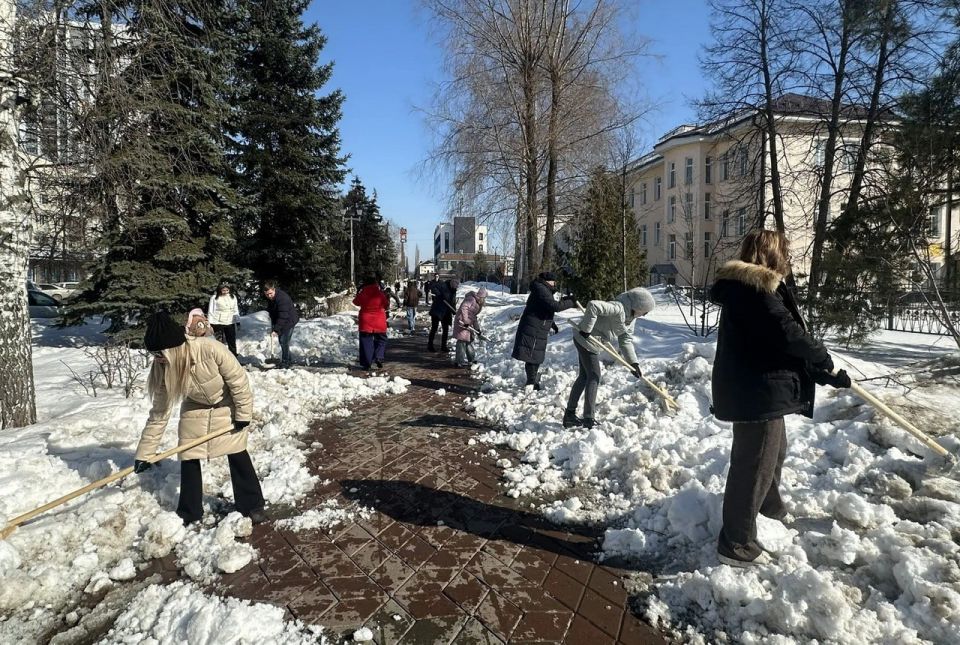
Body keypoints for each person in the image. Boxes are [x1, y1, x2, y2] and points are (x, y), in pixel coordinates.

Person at [710, 229, 850, 568]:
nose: (787, 258)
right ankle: (736, 543)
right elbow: (788, 333)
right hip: (756, 392)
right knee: (755, 463)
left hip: (759, 388)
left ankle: (768, 509)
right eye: (783, 252)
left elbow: (776, 342)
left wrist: (819, 372)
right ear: (771, 254)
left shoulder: (756, 290)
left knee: (773, 453)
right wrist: (821, 356)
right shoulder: (754, 291)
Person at [134, 311, 266, 526]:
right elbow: (159, 413)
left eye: (160, 353)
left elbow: (239, 382)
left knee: (237, 451)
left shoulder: (210, 349)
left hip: (227, 402)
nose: (157, 359)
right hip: (195, 407)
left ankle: (252, 504)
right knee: (188, 454)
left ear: (172, 349)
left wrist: (243, 415)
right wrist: (145, 454)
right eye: (154, 354)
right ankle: (189, 511)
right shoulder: (164, 367)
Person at [565, 287, 656, 429]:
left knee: (584, 377)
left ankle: (569, 415)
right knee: (594, 375)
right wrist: (587, 328)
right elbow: (593, 305)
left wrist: (634, 363)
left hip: (593, 341)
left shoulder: (631, 319)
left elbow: (625, 340)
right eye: (645, 311)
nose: (645, 314)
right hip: (586, 339)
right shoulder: (617, 308)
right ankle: (588, 418)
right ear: (638, 306)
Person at [511, 272, 577, 390]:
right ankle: (531, 383)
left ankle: (532, 380)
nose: (555, 284)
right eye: (553, 281)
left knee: (535, 355)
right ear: (548, 281)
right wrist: (571, 302)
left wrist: (552, 323)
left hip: (538, 327)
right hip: (533, 327)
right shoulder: (541, 289)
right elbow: (554, 306)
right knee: (532, 355)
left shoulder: (542, 289)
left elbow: (543, 308)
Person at [353, 275, 390, 370]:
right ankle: (379, 356)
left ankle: (367, 363)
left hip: (366, 321)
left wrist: (359, 291)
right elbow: (386, 305)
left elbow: (356, 302)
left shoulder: (363, 293)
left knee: (366, 342)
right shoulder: (380, 293)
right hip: (379, 320)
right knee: (381, 339)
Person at [264, 281, 299, 368]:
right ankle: (289, 360)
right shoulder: (271, 299)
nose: (269, 296)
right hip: (281, 320)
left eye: (271, 293)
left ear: (274, 290)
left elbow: (283, 315)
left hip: (289, 320)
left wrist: (276, 329)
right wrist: (273, 325)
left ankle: (285, 362)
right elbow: (274, 312)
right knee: (283, 341)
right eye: (267, 294)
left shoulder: (282, 298)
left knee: (284, 341)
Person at [453, 287, 487, 366]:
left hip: (468, 324)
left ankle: (471, 359)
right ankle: (458, 361)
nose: (484, 300)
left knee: (469, 340)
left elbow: (474, 317)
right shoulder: (471, 299)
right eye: (484, 298)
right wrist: (465, 321)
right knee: (461, 341)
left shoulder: (478, 303)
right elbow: (463, 308)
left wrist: (477, 329)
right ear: (481, 296)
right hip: (461, 322)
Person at [208, 282, 240, 356]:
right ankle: (220, 357)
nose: (225, 292)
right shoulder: (214, 298)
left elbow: (235, 310)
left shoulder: (233, 297)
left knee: (231, 340)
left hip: (230, 321)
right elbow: (211, 311)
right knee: (219, 342)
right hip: (217, 322)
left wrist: (238, 321)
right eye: (223, 290)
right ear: (220, 290)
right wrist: (210, 323)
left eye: (227, 290)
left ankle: (233, 356)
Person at [428, 277, 459, 352]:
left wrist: (454, 310)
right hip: (437, 310)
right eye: (455, 285)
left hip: (446, 312)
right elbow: (433, 287)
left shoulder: (453, 290)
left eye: (457, 285)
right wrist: (439, 294)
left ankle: (443, 346)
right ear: (452, 282)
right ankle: (430, 345)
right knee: (434, 328)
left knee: (445, 329)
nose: (456, 286)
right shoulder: (443, 285)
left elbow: (453, 301)